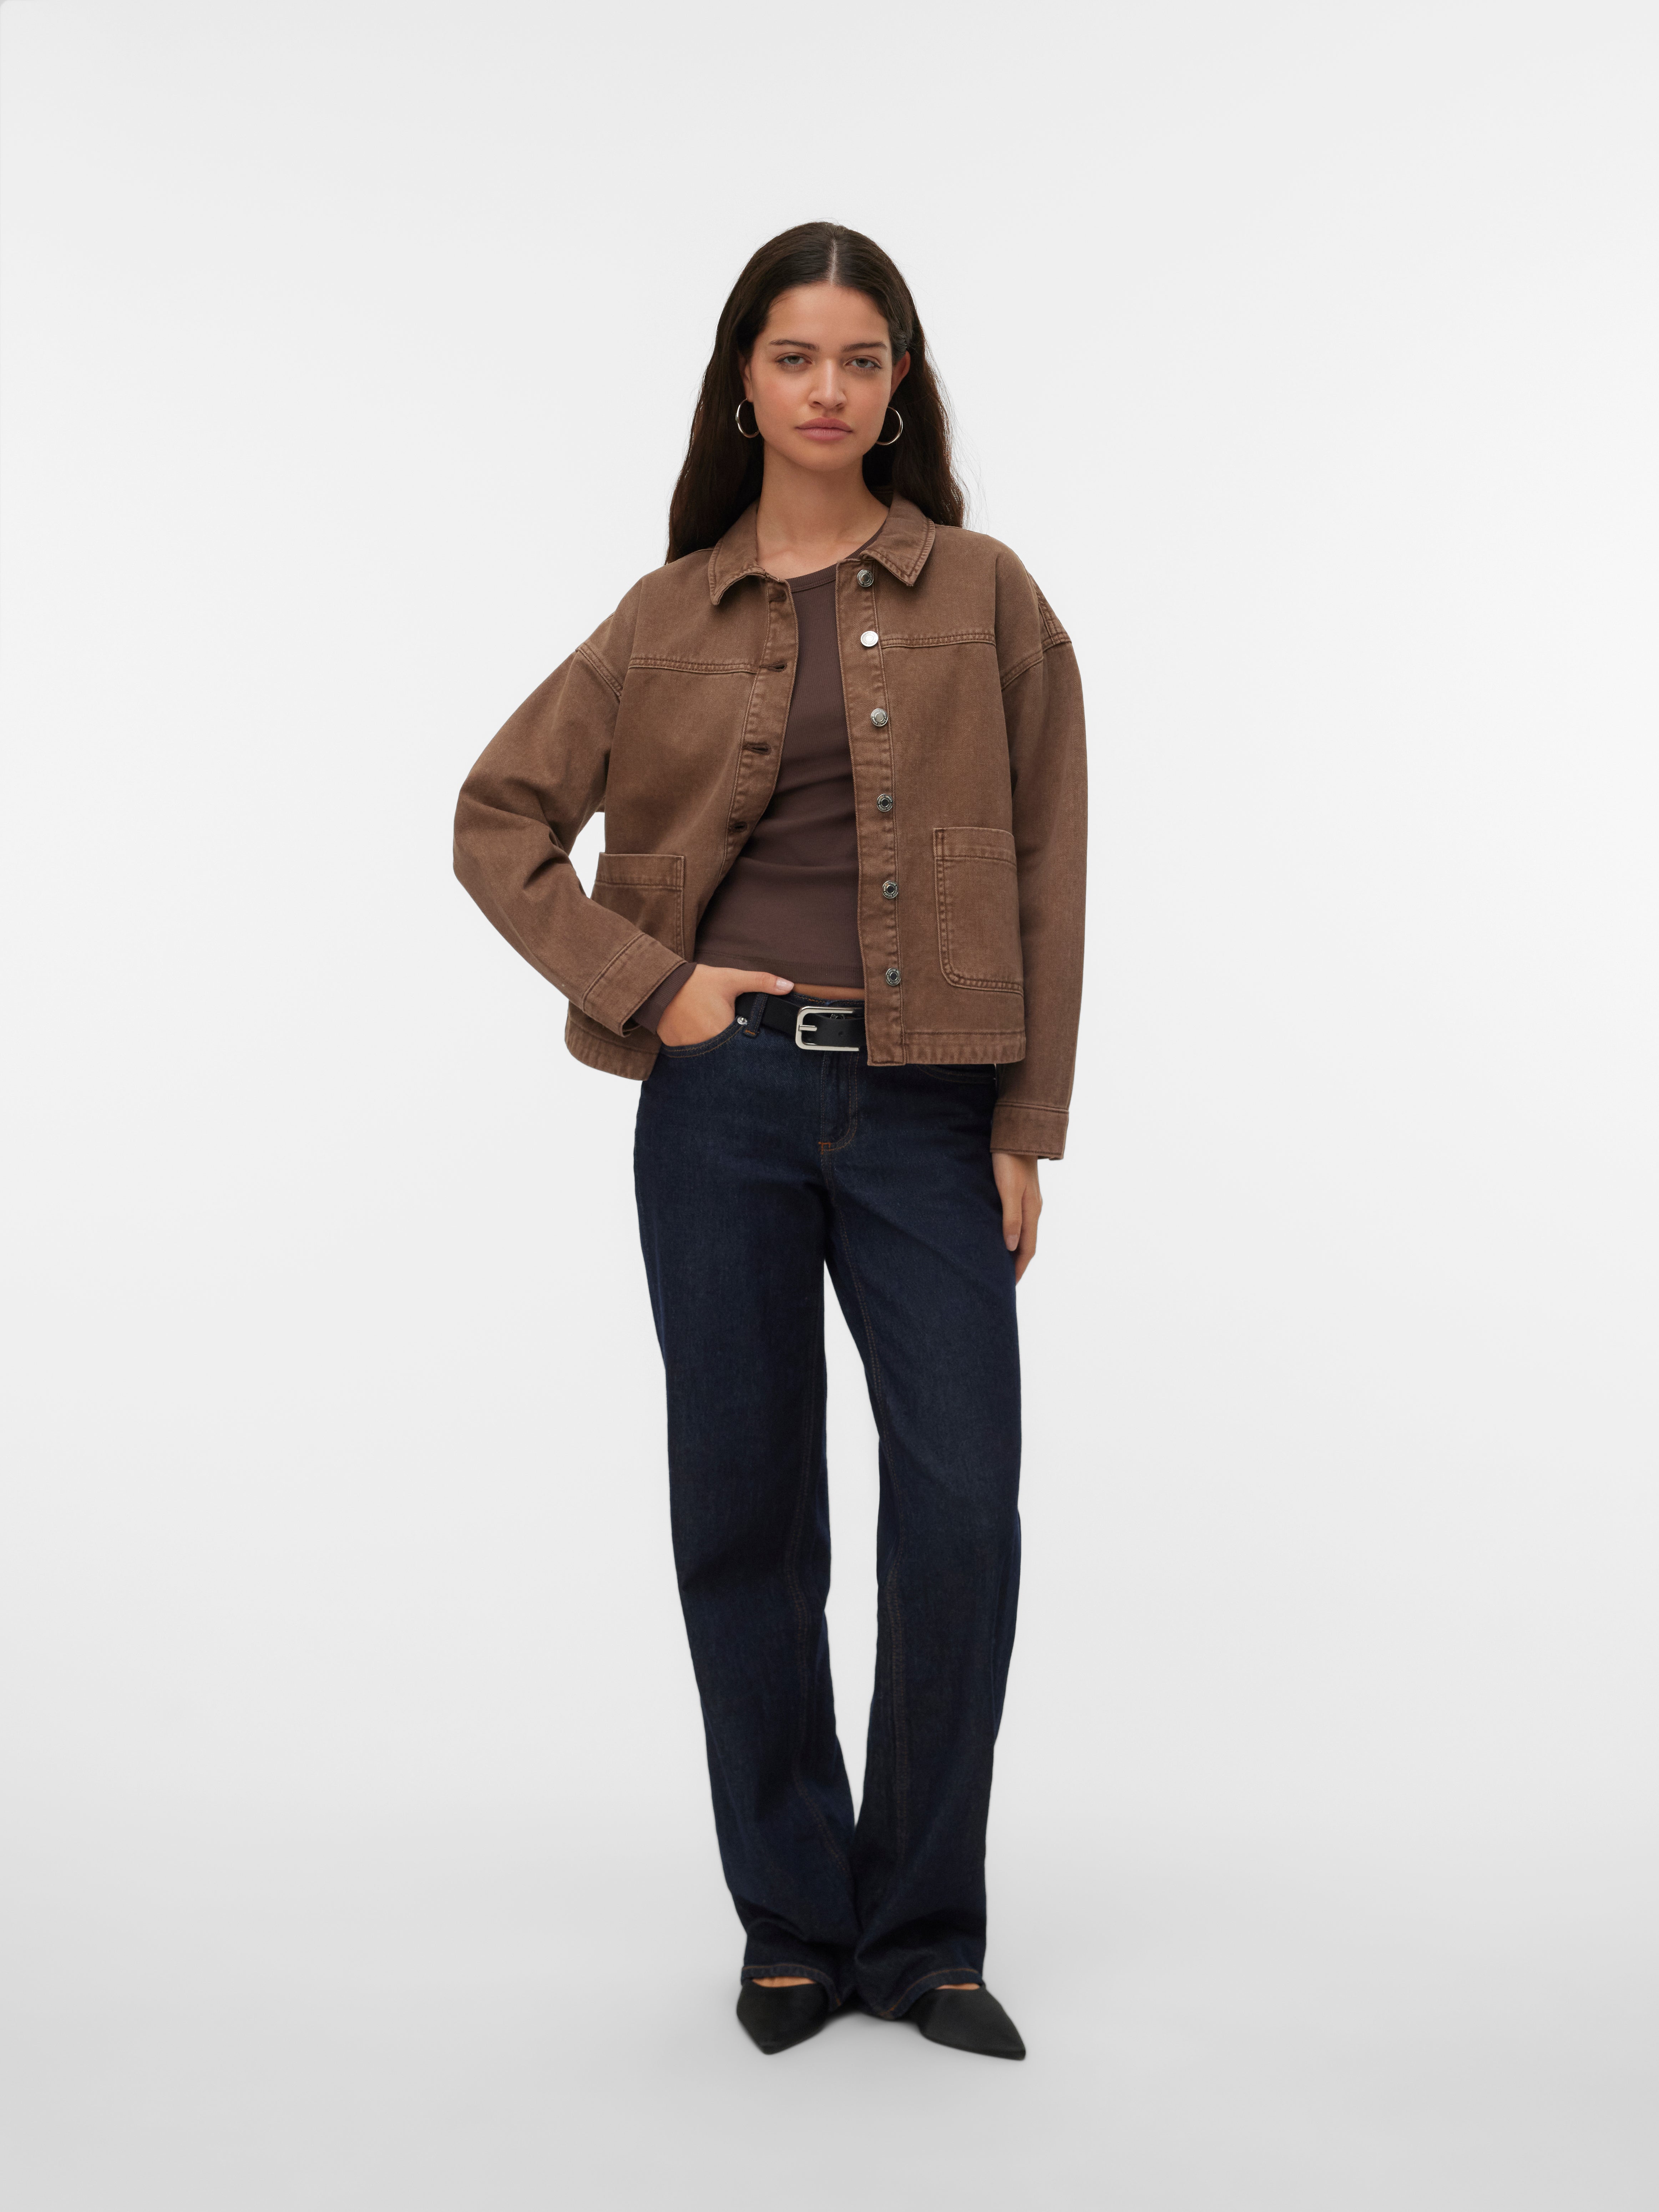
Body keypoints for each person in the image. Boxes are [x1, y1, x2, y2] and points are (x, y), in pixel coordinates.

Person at [454, 221, 1086, 2060]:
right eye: (796, 357)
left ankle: (927, 1932)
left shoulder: (987, 595)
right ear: (745, 380)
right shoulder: (666, 618)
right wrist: (654, 989)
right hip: (723, 1104)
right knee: (746, 1510)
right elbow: (498, 817)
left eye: (863, 360)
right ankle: (795, 1925)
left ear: (902, 386)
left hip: (930, 1106)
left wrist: (1027, 1123)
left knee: (960, 1509)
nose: (829, 390)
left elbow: (1051, 861)